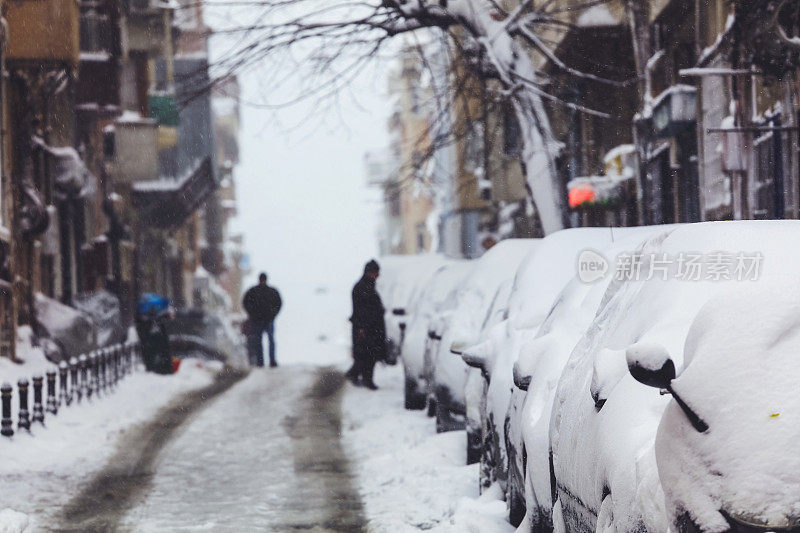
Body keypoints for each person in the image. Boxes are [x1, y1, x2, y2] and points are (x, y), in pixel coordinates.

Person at [346, 259, 386, 390]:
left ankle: (358, 376)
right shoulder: (362, 287)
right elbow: (360, 310)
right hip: (365, 328)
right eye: (376, 273)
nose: (377, 276)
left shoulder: (368, 286)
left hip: (370, 327)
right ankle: (364, 379)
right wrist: (362, 327)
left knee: (367, 355)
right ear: (370, 273)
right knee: (366, 355)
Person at [242, 273, 282, 367]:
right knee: (270, 341)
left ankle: (261, 362)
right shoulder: (272, 291)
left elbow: (245, 303)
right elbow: (278, 303)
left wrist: (252, 314)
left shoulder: (253, 291)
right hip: (268, 320)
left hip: (258, 320)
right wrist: (272, 315)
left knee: (259, 341)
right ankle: (271, 361)